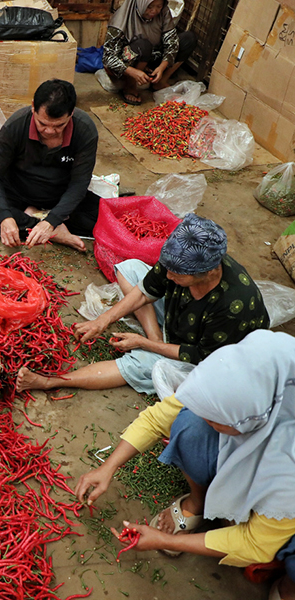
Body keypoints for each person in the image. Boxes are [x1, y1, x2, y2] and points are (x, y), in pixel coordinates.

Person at [75, 331, 295, 600]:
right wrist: (107, 468)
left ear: (249, 420)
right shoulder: (252, 375)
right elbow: (158, 419)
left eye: (217, 420)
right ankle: (200, 502)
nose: (207, 419)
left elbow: (254, 545)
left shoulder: (288, 467)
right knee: (190, 424)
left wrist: (167, 541)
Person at [17, 215, 269, 395]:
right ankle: (157, 337)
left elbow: (200, 355)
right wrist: (102, 320)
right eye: (168, 269)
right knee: (130, 268)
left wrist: (143, 344)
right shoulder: (179, 263)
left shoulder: (234, 305)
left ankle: (50, 382)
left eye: (177, 275)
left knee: (143, 364)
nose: (168, 277)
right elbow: (148, 289)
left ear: (208, 272)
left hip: (208, 357)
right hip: (177, 319)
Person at [0, 79, 99, 252]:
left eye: (59, 125)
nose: (50, 131)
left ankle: (40, 224)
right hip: (19, 192)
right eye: (42, 123)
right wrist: (5, 217)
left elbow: (79, 184)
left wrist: (52, 220)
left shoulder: (85, 130)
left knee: (104, 217)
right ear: (33, 108)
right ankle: (51, 230)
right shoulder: (15, 126)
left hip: (60, 193)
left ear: (71, 113)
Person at [102, 0, 197, 105]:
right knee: (144, 45)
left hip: (153, 56)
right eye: (149, 7)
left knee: (189, 39)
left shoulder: (163, 13)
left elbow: (171, 41)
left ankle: (160, 81)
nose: (154, 11)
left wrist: (162, 67)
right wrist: (133, 72)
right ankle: (130, 86)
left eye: (158, 6)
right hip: (129, 62)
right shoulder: (121, 19)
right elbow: (108, 57)